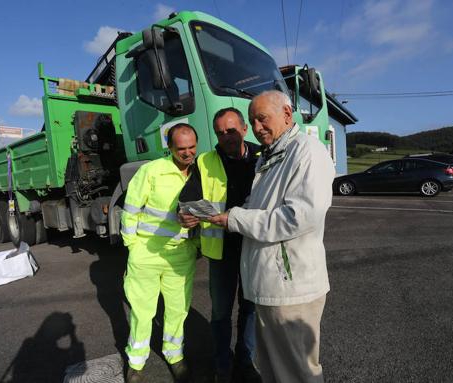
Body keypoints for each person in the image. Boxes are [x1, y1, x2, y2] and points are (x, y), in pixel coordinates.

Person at [208, 90, 335, 383]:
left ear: (287, 114)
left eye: (262, 118)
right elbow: (258, 205)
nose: (257, 127)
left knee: (298, 371)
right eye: (253, 121)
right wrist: (222, 212)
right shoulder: (271, 154)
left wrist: (234, 218)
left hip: (291, 289)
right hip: (271, 284)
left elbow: (299, 216)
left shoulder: (307, 151)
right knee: (274, 367)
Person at [178, 108, 261, 382]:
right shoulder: (205, 161)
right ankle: (222, 365)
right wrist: (185, 215)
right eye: (220, 132)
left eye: (231, 131)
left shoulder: (264, 157)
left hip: (254, 247)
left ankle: (245, 359)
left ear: (245, 129)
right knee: (221, 312)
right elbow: (188, 198)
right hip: (221, 251)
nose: (226, 137)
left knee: (250, 308)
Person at [121, 123, 199, 383]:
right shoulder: (151, 171)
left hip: (181, 256)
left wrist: (197, 246)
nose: (187, 153)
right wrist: (132, 246)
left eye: (191, 148)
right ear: (169, 147)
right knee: (143, 313)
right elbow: (130, 209)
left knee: (178, 310)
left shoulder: (200, 173)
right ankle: (136, 363)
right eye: (181, 149)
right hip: (147, 255)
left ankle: (175, 356)